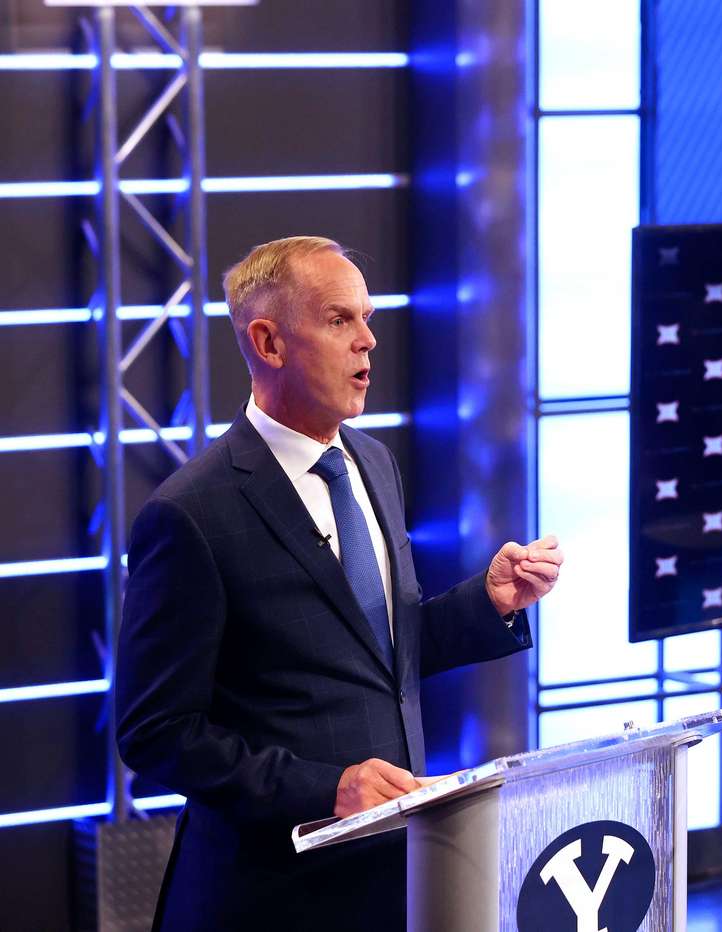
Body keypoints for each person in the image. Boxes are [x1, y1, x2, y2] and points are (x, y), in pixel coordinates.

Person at [115, 236, 563, 930]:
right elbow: (156, 732)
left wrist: (487, 604)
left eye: (367, 318)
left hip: (395, 880)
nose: (367, 341)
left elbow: (374, 653)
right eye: (338, 319)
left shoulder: (373, 463)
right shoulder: (190, 514)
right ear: (268, 343)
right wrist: (327, 789)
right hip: (270, 899)